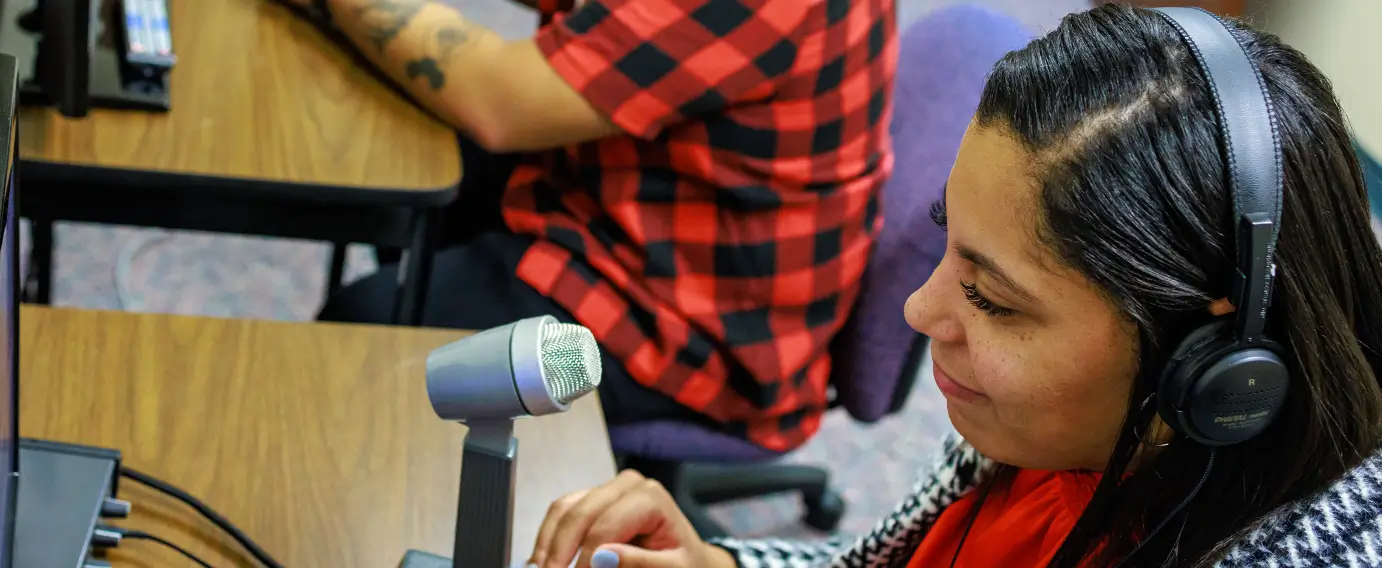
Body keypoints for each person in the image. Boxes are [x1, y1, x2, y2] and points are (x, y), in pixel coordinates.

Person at [524, 5, 1382, 568]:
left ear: (1209, 358)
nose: (918, 311)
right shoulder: (1050, 430)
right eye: (950, 250)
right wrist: (719, 564)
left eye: (994, 300)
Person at [276, 0, 896, 451]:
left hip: (695, 325)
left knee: (361, 345)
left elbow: (501, 102)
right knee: (397, 152)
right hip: (622, 194)